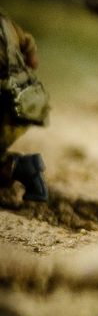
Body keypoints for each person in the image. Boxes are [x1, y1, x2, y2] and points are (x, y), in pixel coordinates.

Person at [0, 12, 50, 202]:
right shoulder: (7, 23)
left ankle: (22, 168)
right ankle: (25, 170)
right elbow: (33, 59)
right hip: (25, 105)